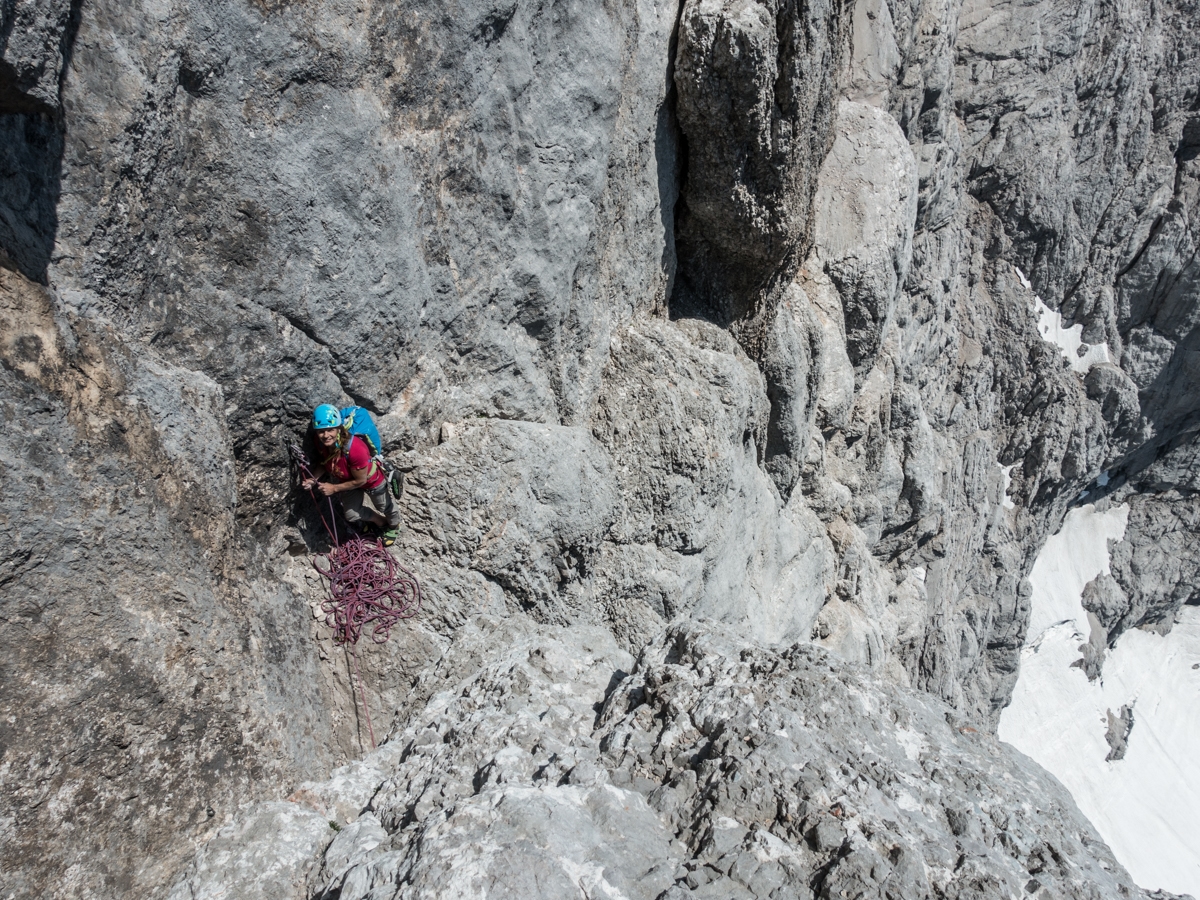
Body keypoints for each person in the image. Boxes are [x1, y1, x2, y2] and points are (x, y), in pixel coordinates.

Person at [302, 404, 400, 546]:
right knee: (352, 515)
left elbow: (361, 480)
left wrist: (334, 488)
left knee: (385, 507)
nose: (325, 435)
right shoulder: (321, 443)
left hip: (371, 480)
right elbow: (325, 462)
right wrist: (313, 479)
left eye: (330, 430)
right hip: (347, 481)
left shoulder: (355, 448)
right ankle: (380, 522)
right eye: (321, 431)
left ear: (338, 428)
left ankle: (394, 526)